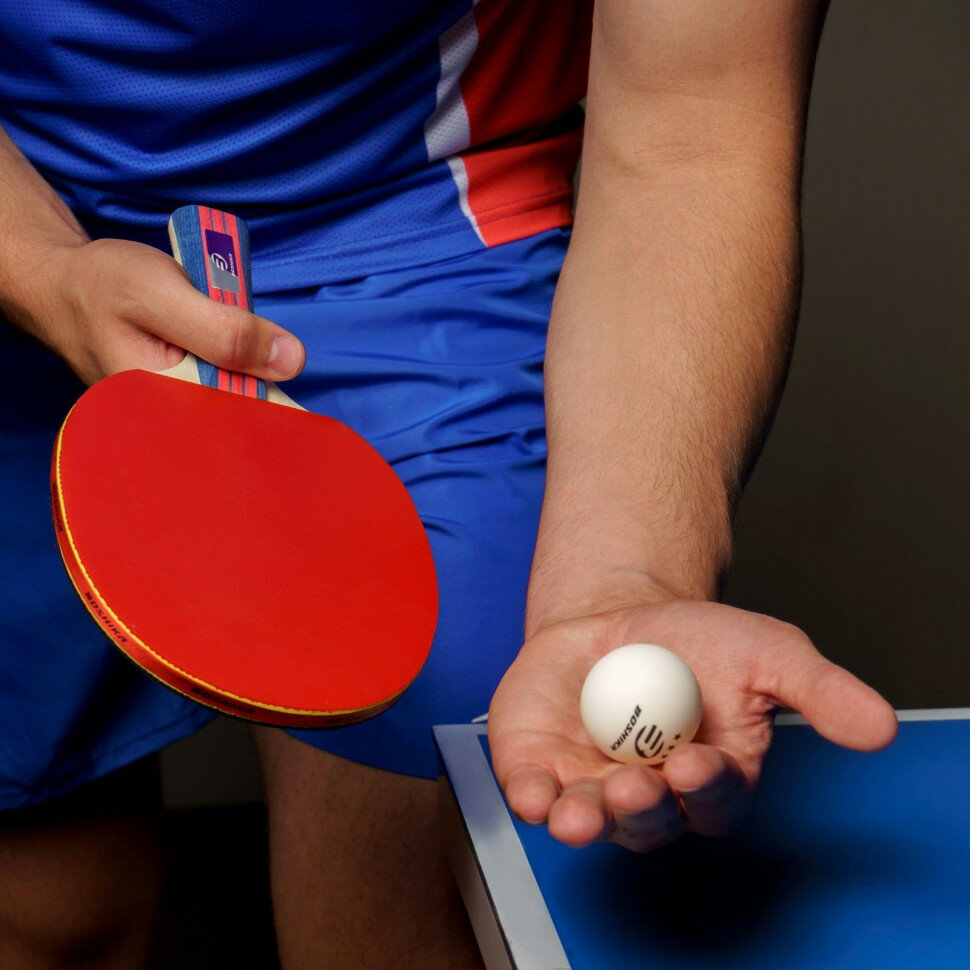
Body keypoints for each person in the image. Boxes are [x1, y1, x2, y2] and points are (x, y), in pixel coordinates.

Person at [0, 0, 897, 967]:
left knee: (404, 906)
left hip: (418, 231)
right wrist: (41, 270)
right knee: (56, 915)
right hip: (26, 212)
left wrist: (620, 580)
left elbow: (691, 135)